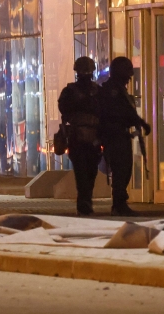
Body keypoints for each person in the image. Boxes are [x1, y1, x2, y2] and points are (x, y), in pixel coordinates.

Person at [100, 57, 151, 217]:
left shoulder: (117, 89)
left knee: (124, 169)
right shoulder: (112, 91)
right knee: (121, 170)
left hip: (119, 135)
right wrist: (139, 122)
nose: (129, 78)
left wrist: (140, 123)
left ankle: (120, 203)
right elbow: (121, 113)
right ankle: (119, 204)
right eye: (127, 73)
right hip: (115, 136)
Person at [58, 56, 103, 216]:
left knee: (90, 172)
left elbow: (103, 112)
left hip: (93, 138)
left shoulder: (97, 91)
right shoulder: (70, 91)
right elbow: (65, 111)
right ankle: (84, 203)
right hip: (77, 138)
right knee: (82, 173)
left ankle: (86, 201)